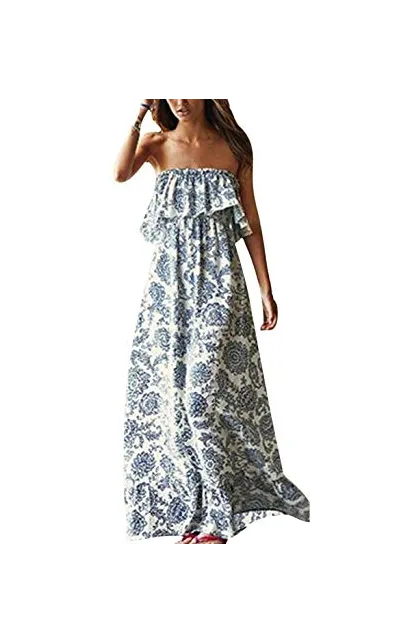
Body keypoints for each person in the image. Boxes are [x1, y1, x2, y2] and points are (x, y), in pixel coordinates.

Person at [114, 96, 310, 544]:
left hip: (221, 284)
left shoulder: (234, 147)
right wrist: (139, 114)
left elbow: (251, 219)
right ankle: (194, 506)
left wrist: (265, 287)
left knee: (200, 397)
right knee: (175, 399)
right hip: (168, 292)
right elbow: (119, 174)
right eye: (169, 91)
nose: (179, 101)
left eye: (188, 89)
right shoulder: (156, 144)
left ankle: (220, 516)